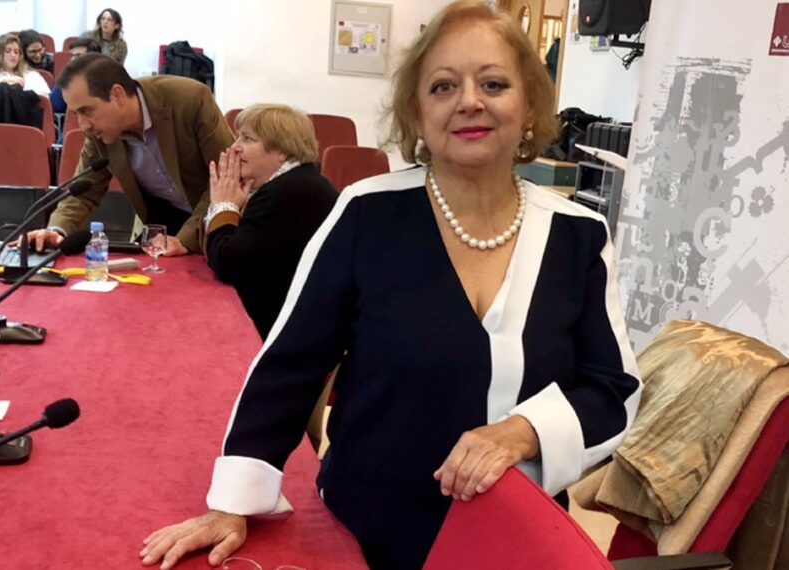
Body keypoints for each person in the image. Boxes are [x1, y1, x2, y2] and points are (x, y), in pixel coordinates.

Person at [139, 2, 642, 569]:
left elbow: (612, 389)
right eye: (443, 86)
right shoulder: (367, 213)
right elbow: (290, 363)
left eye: (494, 83)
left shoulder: (578, 234)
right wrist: (233, 501)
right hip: (367, 536)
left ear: (528, 104)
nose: (469, 101)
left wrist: (525, 431)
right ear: (417, 113)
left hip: (513, 540)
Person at [26, 53, 233, 256]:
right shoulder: (99, 133)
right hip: (162, 227)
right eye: (76, 114)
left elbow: (228, 175)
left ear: (118, 95)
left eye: (86, 111)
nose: (83, 125)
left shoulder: (190, 100)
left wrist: (186, 239)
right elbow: (84, 191)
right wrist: (56, 230)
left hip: (215, 222)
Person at [203, 104, 338, 339]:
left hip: (287, 336)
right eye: (237, 137)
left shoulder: (287, 193)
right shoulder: (297, 183)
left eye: (247, 139)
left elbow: (227, 264)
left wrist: (224, 205)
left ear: (282, 151)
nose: (234, 147)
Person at [0, 34, 50, 99]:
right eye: (8, 51)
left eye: (16, 52)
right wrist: (4, 84)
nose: (13, 55)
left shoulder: (32, 76)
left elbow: (44, 101)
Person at [50, 37, 101, 114]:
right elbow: (56, 106)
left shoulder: (105, 78)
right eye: (72, 56)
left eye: (78, 56)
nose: (73, 59)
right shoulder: (68, 76)